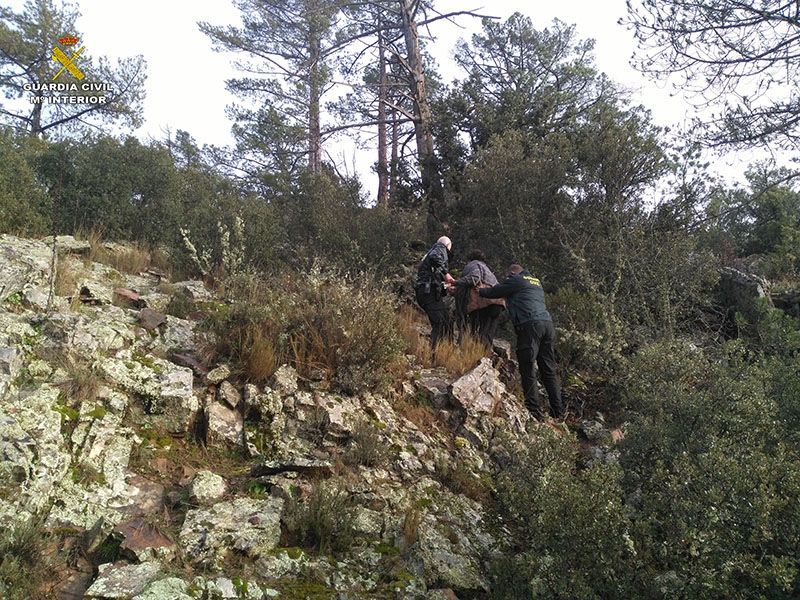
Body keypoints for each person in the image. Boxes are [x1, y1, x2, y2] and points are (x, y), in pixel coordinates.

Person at [479, 264, 565, 420]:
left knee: (527, 366)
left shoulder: (516, 280)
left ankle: (533, 410)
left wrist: (479, 290)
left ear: (512, 273)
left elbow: (494, 292)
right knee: (548, 370)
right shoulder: (535, 281)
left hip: (530, 325)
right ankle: (558, 411)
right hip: (547, 325)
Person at [454, 250, 504, 347]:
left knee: (477, 331)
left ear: (470, 259)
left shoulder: (473, 264)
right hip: (499, 303)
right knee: (488, 333)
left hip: (484, 302)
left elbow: (474, 278)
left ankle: (475, 354)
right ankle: (486, 355)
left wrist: (456, 282)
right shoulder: (487, 269)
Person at [415, 236, 455, 349]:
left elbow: (433, 275)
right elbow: (435, 258)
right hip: (429, 292)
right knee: (440, 322)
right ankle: (435, 353)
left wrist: (446, 287)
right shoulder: (440, 248)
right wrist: (446, 274)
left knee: (445, 320)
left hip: (426, 291)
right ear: (448, 245)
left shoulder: (429, 253)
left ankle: (444, 351)